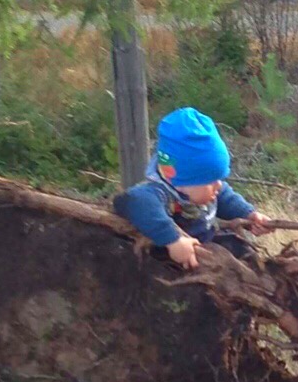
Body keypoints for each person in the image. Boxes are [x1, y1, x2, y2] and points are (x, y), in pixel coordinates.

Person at [113, 106, 275, 268]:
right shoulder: (159, 193)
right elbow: (134, 200)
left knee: (242, 250)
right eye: (210, 181)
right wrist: (173, 240)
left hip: (207, 241)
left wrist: (249, 214)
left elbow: (226, 198)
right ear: (183, 182)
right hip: (174, 259)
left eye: (218, 179)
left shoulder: (203, 188)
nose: (218, 185)